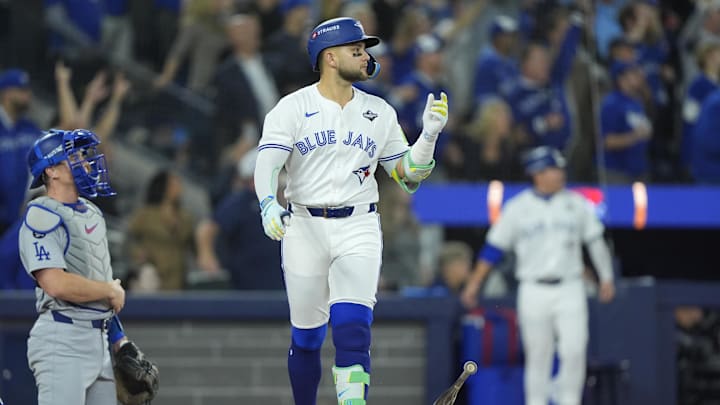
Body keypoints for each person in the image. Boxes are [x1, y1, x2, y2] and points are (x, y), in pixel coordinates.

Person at [254, 17, 449, 405]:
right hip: (304, 226)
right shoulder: (292, 107)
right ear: (329, 58)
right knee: (307, 337)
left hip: (359, 222)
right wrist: (267, 203)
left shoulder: (380, 111)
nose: (366, 57)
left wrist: (427, 136)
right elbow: (267, 164)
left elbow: (408, 177)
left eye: (365, 50)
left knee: (352, 327)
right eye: (356, 50)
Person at [461, 146, 616, 405]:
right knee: (538, 354)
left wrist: (607, 277)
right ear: (537, 173)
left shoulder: (576, 203)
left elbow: (596, 242)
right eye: (553, 169)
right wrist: (474, 284)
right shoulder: (518, 208)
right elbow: (493, 249)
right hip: (533, 289)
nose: (560, 173)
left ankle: (569, 401)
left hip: (570, 286)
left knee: (574, 350)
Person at [18, 128, 140, 404]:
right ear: (52, 171)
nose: (85, 161)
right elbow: (55, 283)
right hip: (62, 340)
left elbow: (97, 279)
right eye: (74, 155)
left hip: (98, 337)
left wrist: (119, 339)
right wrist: (109, 290)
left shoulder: (92, 211)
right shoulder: (41, 213)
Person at [0, 68, 42, 237]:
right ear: (7, 93)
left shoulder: (30, 128)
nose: (28, 95)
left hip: (17, 219)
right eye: (22, 90)